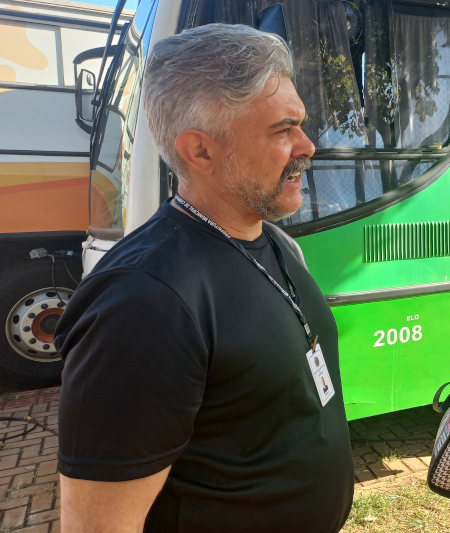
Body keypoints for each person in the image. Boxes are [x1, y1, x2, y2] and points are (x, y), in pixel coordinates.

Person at [54, 24, 353, 533]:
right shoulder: (144, 301)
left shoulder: (277, 243)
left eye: (301, 125)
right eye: (283, 130)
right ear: (200, 152)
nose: (308, 146)